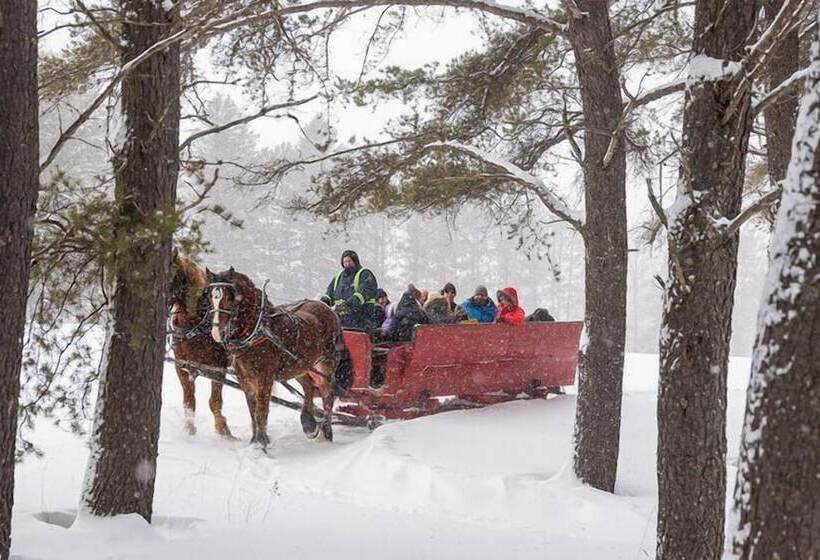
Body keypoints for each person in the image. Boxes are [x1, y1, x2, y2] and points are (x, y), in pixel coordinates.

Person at [322, 250, 379, 330]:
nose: (347, 264)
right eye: (345, 262)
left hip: (361, 318)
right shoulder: (338, 277)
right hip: (341, 319)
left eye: (349, 261)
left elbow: (364, 292)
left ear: (355, 261)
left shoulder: (365, 274)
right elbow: (330, 292)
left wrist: (349, 304)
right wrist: (324, 302)